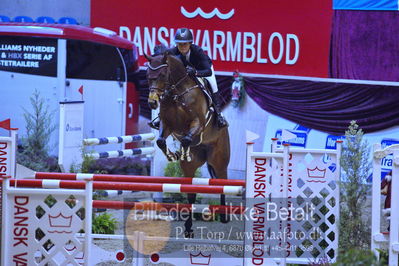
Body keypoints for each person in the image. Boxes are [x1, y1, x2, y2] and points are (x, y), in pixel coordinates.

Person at [148, 28, 228, 129]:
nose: (182, 47)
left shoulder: (197, 51)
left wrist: (196, 72)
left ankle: (219, 114)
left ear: (190, 43)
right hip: (185, 73)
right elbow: (161, 58)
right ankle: (161, 116)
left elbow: (208, 71)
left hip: (202, 70)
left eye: (185, 44)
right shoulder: (172, 52)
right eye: (180, 44)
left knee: (213, 85)